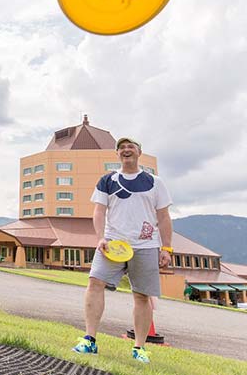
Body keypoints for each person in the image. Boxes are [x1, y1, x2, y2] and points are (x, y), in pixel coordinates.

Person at [72, 137, 173, 364]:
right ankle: (89, 340)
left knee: (142, 295)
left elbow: (164, 217)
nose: (126, 150)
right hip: (112, 244)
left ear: (139, 152)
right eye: (122, 147)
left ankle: (139, 348)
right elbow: (98, 212)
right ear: (117, 154)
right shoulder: (108, 180)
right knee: (94, 283)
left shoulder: (155, 182)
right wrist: (100, 238)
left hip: (146, 245)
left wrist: (166, 247)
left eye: (131, 147)